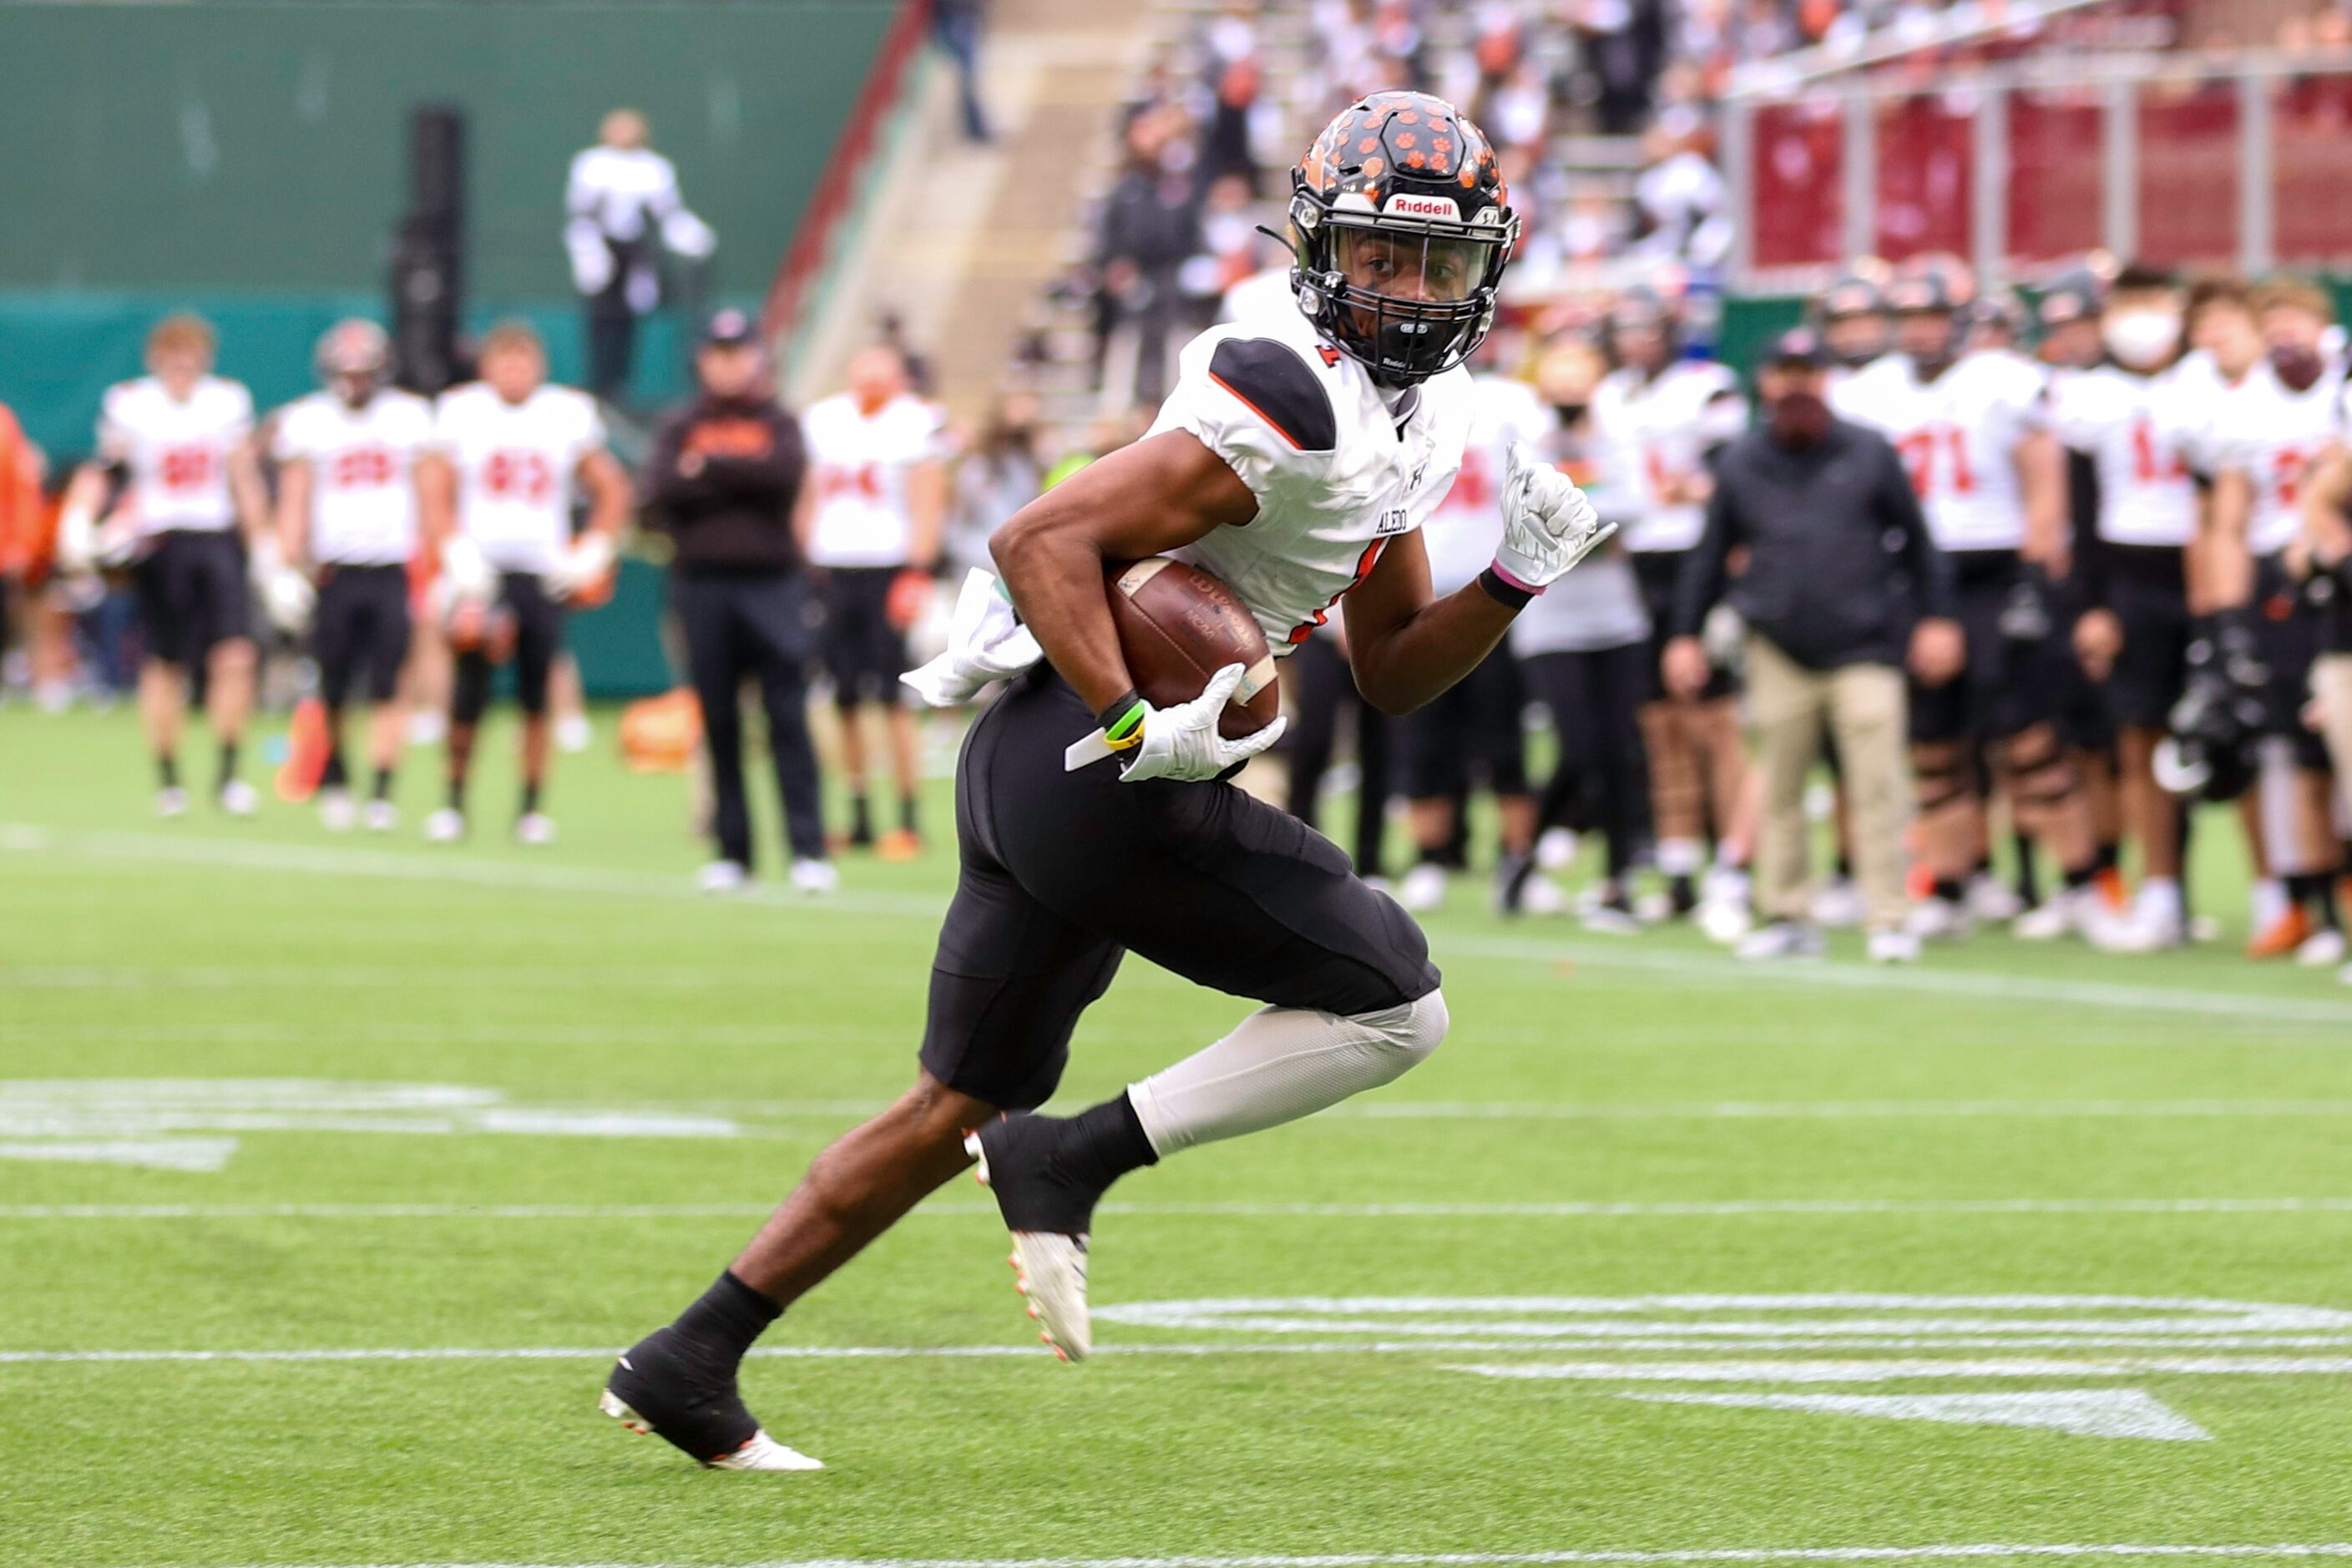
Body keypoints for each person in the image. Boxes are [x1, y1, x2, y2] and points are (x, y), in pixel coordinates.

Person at [602, 90, 1609, 1472]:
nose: (1411, 289)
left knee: (947, 1102)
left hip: (1045, 770)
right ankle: (1069, 1160)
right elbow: (1037, 540)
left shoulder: (1419, 416)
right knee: (1395, 1005)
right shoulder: (1290, 387)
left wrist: (1512, 580)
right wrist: (1137, 725)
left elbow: (1387, 671)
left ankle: (688, 1357)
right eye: (1380, 255)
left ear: (1485, 265)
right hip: (1106, 771)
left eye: (1438, 261)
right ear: (1324, 250)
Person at [1830, 271, 2119, 946]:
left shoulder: (2001, 380)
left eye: (1932, 314)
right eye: (1909, 316)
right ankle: (1950, 885)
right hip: (1915, 576)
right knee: (1933, 744)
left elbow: (2043, 478)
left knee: (2029, 741)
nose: (1921, 329)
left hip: (1994, 568)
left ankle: (2081, 883)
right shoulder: (1871, 392)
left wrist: (2035, 569)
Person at [1668, 328, 1962, 964]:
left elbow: (1918, 541)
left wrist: (1937, 620)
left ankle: (1888, 913)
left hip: (1865, 642)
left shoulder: (1867, 451)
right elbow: (1710, 555)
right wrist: (1684, 635)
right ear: (1767, 381)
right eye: (1786, 371)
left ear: (1826, 380)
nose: (1797, 384)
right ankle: (1787, 912)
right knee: (1779, 782)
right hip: (1776, 643)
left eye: (1809, 371)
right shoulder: (1743, 460)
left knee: (1878, 777)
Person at [642, 309, 833, 895]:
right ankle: (733, 852)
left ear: (755, 357)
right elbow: (655, 494)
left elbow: (781, 477)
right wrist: (735, 476)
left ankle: (807, 849)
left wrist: (709, 469)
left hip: (772, 585)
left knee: (787, 718)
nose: (727, 363)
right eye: (717, 352)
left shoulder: (779, 421)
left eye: (738, 351)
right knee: (719, 719)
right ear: (703, 359)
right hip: (701, 585)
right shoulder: (679, 423)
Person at [417, 321, 630, 845]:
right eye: (504, 360)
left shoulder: (566, 413)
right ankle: (454, 803)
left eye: (523, 360)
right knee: (468, 695)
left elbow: (612, 487)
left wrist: (596, 546)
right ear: (486, 366)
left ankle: (532, 809)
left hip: (542, 571)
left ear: (539, 366)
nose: (514, 371)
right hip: (480, 573)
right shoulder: (462, 411)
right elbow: (434, 487)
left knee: (537, 695)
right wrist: (451, 548)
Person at [55, 314, 270, 817]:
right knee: (164, 661)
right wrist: (80, 518)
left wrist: (266, 548)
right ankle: (169, 779)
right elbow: (107, 469)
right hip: (158, 540)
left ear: (205, 358)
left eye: (189, 352)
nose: (180, 363)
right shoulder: (131, 403)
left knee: (235, 656)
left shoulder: (226, 401)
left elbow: (243, 478)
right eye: (171, 353)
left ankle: (228, 774)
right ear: (154, 359)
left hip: (215, 538)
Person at [2048, 264, 2204, 949]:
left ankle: (2278, 896)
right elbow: (2081, 510)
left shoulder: (2206, 379)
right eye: (2131, 302)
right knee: (2140, 740)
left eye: (2154, 299)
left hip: (2208, 575)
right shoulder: (2087, 394)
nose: (2143, 315)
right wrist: (2091, 603)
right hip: (2130, 579)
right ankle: (2160, 892)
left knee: (2230, 741)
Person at [2197, 277, 2344, 962]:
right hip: (2279, 586)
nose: (2287, 336)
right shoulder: (2243, 408)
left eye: (2297, 321)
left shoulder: (2339, 389)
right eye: (2273, 325)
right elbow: (2225, 525)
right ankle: (2313, 906)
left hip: (2339, 580)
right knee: (2296, 753)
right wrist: (2228, 621)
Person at [1593, 285, 1750, 928]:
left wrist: (1700, 492)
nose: (1638, 340)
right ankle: (1681, 864)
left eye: (1647, 328)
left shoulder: (1705, 385)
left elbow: (1727, 473)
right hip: (1636, 564)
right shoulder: (1608, 396)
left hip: (1696, 560)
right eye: (1627, 328)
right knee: (1660, 726)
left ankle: (1734, 866)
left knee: (1714, 721)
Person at [1395, 346, 1560, 916]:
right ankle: (1428, 857)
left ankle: (1518, 860)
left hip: (1491, 595)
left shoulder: (1508, 406)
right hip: (1421, 592)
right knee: (1423, 738)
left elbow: (1540, 487)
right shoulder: (1399, 400)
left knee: (1502, 738)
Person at [1515, 335, 1659, 933]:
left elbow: (1637, 504)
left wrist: (1580, 522)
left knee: (1621, 749)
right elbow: (1527, 514)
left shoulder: (1615, 439)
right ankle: (1525, 857)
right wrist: (1592, 523)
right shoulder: (1527, 443)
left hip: (1616, 617)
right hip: (1553, 621)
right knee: (1579, 748)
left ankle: (1617, 876)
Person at [271, 320, 434, 832]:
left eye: (364, 372)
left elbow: (432, 496)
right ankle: (338, 776)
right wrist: (284, 566)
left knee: (390, 684)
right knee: (334, 686)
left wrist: (444, 561)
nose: (356, 383)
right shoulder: (309, 420)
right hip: (333, 571)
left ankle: (384, 788)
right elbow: (295, 503)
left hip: (391, 567)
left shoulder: (409, 417)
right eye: (347, 372)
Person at [801, 345, 947, 858]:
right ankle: (859, 813)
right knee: (842, 696)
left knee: (893, 694)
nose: (871, 381)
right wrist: (803, 558)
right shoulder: (823, 420)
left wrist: (917, 569)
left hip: (887, 567)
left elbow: (929, 494)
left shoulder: (913, 421)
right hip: (832, 566)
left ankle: (906, 816)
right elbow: (809, 494)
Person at [565, 109, 716, 406]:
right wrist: (587, 252)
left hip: (636, 253)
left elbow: (668, 215)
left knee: (629, 319)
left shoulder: (655, 169)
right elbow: (580, 214)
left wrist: (692, 236)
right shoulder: (591, 165)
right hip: (600, 251)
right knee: (600, 318)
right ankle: (600, 384)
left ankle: (620, 385)